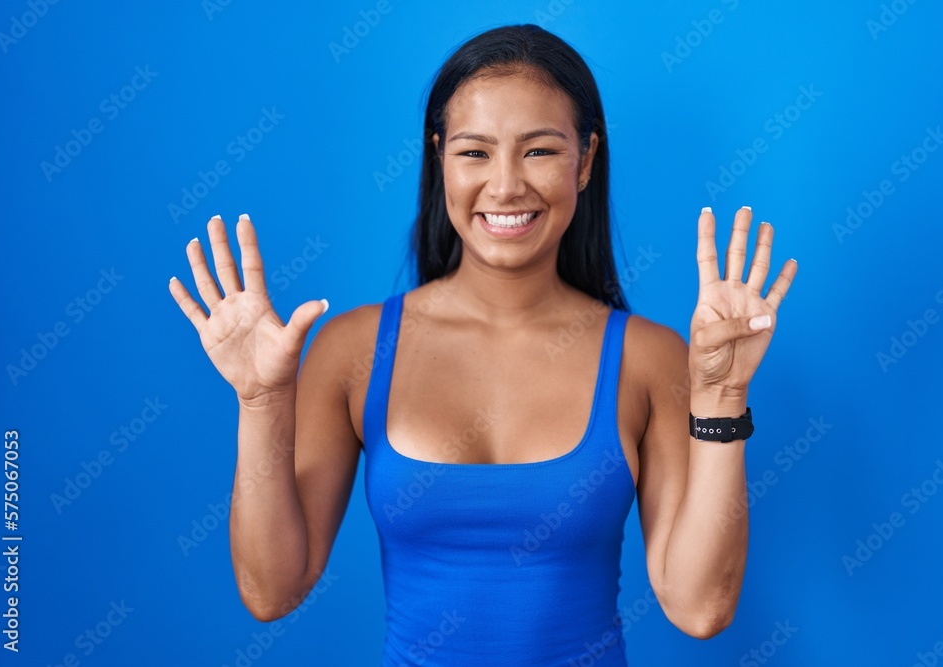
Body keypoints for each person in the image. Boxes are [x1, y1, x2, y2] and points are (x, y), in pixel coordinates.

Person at [168, 24, 796, 666]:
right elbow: (271, 590)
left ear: (585, 161)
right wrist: (261, 402)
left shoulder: (648, 358)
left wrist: (722, 397)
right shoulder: (352, 352)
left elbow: (699, 608)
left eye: (539, 151)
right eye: (475, 152)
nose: (505, 186)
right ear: (439, 156)